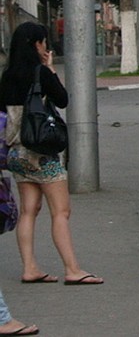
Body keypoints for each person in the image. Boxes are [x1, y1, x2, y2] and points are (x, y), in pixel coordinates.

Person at [0, 22, 103, 286]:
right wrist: (49, 70)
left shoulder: (7, 75)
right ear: (37, 45)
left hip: (17, 153)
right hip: (41, 153)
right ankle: (72, 269)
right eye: (44, 42)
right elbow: (63, 99)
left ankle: (30, 267)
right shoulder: (40, 73)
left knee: (28, 211)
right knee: (61, 212)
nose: (47, 46)